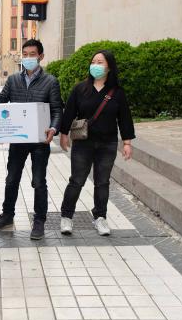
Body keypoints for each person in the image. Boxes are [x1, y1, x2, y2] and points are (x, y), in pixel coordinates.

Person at [0, 39, 63, 240]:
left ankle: (39, 221)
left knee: (38, 181)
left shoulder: (50, 81)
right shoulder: (13, 80)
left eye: (32, 54)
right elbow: (3, 98)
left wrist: (53, 128)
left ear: (41, 56)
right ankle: (7, 215)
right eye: (25, 54)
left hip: (39, 140)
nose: (28, 58)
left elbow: (57, 109)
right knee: (11, 179)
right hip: (18, 139)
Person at [58, 50, 135, 236]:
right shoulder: (80, 89)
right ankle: (66, 217)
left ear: (109, 67)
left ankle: (100, 218)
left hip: (107, 144)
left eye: (100, 62)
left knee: (102, 182)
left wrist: (127, 142)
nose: (96, 65)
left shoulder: (117, 92)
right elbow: (69, 112)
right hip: (83, 144)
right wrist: (63, 134)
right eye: (93, 61)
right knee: (76, 180)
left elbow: (124, 118)